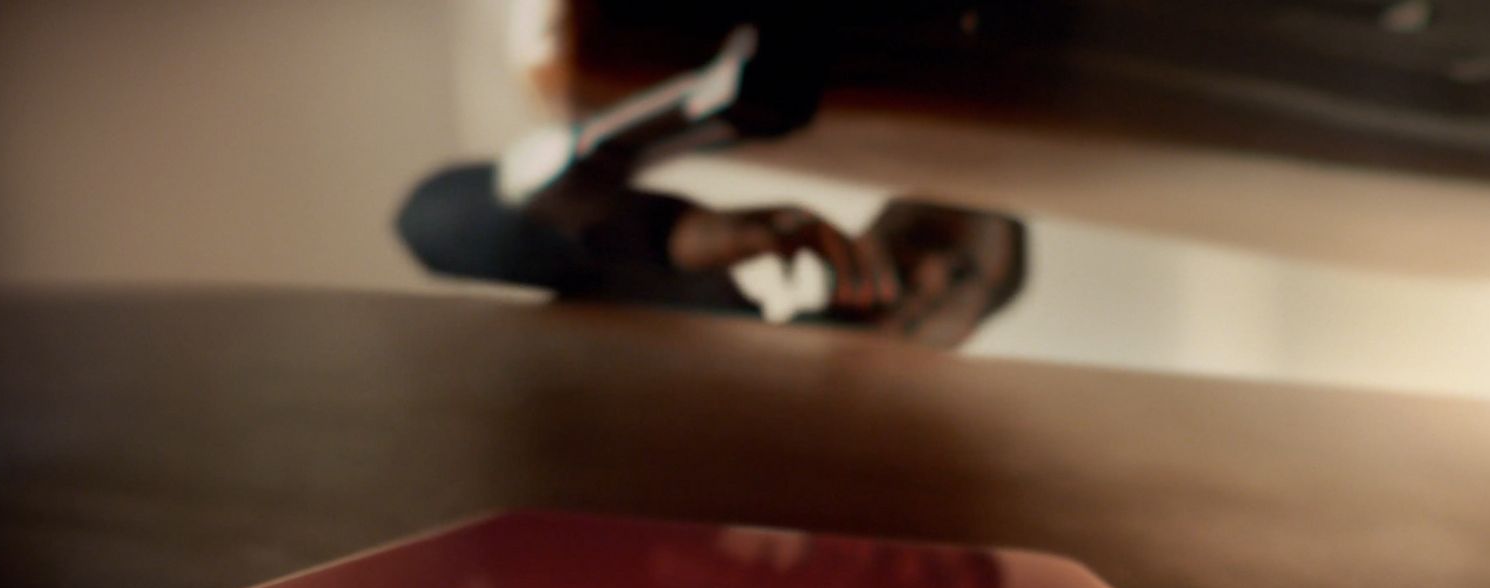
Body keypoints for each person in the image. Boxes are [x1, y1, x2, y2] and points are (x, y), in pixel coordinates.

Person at [395, 24, 1024, 347]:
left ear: (965, 334)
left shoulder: (920, 483)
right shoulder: (689, 295)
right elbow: (435, 223)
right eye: (914, 235)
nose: (928, 273)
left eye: (963, 273)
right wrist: (676, 236)